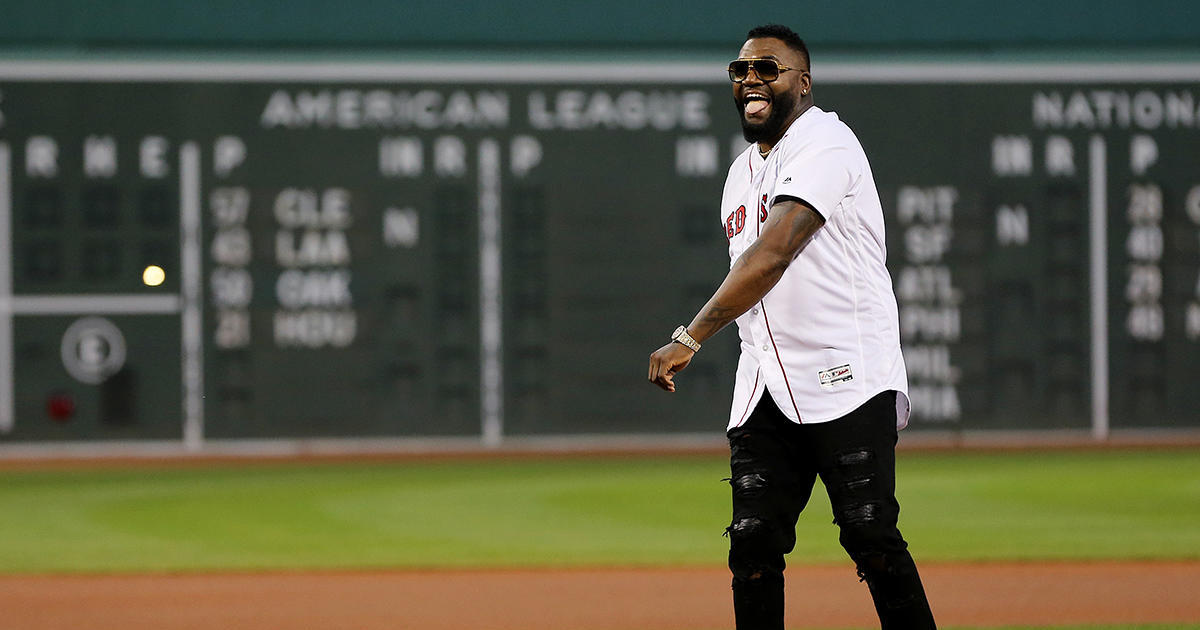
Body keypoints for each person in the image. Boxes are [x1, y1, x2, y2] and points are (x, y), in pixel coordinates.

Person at [647, 24, 937, 630]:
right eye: (740, 70)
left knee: (870, 534)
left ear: (801, 83)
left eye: (766, 69)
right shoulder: (740, 173)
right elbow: (751, 279)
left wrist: (689, 336)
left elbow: (772, 255)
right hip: (766, 383)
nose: (750, 78)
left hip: (847, 374)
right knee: (751, 546)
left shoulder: (828, 143)